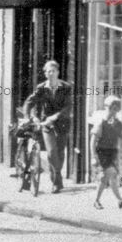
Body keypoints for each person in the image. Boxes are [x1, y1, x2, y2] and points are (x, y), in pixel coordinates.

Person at [24, 60, 72, 194]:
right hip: (47, 124)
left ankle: (57, 176)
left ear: (58, 72)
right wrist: (30, 116)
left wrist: (55, 117)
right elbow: (29, 102)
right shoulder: (41, 88)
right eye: (48, 71)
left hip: (62, 122)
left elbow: (68, 107)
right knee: (51, 152)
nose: (51, 74)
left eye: (53, 71)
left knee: (61, 153)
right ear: (45, 74)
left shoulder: (66, 87)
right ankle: (56, 181)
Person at [90, 95, 122, 210]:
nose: (113, 111)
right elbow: (93, 141)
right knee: (107, 174)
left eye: (116, 109)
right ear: (107, 107)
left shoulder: (118, 124)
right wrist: (93, 156)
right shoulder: (101, 123)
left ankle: (119, 200)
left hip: (113, 152)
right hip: (102, 151)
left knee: (112, 177)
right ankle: (96, 201)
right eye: (111, 108)